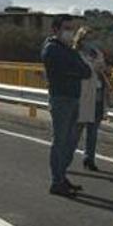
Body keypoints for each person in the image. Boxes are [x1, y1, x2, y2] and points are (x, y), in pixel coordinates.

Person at [41, 14, 92, 197]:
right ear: (55, 29)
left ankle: (61, 176)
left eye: (71, 28)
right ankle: (57, 181)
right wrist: (77, 71)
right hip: (61, 99)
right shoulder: (52, 50)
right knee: (61, 141)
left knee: (70, 141)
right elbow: (69, 71)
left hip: (73, 97)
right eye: (66, 28)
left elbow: (85, 71)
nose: (70, 32)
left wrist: (76, 71)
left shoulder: (69, 50)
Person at [74, 26, 113, 172]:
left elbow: (103, 70)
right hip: (83, 94)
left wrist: (106, 71)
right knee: (77, 129)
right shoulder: (75, 53)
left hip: (98, 93)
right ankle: (65, 157)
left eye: (92, 37)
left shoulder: (97, 52)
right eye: (87, 37)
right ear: (81, 39)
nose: (90, 41)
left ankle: (89, 158)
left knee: (93, 130)